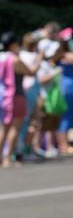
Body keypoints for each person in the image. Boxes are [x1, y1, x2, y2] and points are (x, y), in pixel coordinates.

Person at [0, 32, 41, 167]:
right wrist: (39, 59)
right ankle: (7, 159)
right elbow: (31, 72)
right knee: (14, 128)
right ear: (12, 45)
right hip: (15, 95)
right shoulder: (14, 59)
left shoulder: (1, 58)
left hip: (2, 96)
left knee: (3, 129)